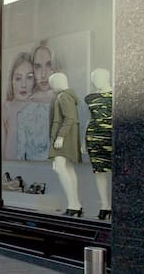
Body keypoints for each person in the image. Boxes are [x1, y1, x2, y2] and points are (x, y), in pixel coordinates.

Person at [48, 72, 82, 216]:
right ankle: (75, 204)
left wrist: (60, 137)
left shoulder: (63, 97)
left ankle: (73, 204)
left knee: (60, 168)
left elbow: (69, 118)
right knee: (67, 167)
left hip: (63, 137)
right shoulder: (68, 96)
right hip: (67, 136)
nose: (51, 87)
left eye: (52, 84)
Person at [85, 68, 114, 220]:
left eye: (97, 78)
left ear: (107, 77)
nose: (94, 81)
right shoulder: (90, 98)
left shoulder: (117, 95)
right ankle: (105, 205)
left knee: (115, 171)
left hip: (112, 136)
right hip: (94, 136)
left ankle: (116, 204)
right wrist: (85, 139)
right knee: (99, 171)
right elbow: (90, 118)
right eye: (93, 78)